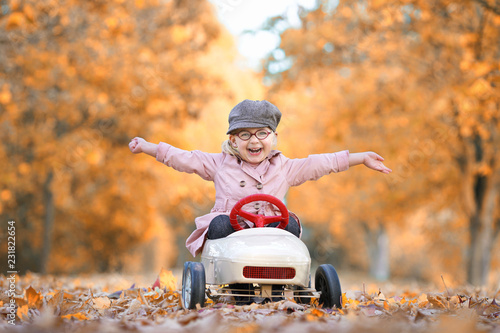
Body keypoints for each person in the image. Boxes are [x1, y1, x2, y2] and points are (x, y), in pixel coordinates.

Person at [129, 99, 392, 258]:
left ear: (274, 137)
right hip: (233, 229)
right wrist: (148, 147)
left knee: (291, 225)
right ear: (233, 140)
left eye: (262, 133)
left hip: (271, 229)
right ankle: (227, 270)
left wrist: (359, 157)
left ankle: (287, 275)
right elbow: (184, 158)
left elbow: (320, 163)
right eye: (245, 135)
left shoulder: (284, 167)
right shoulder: (219, 164)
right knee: (219, 226)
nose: (254, 140)